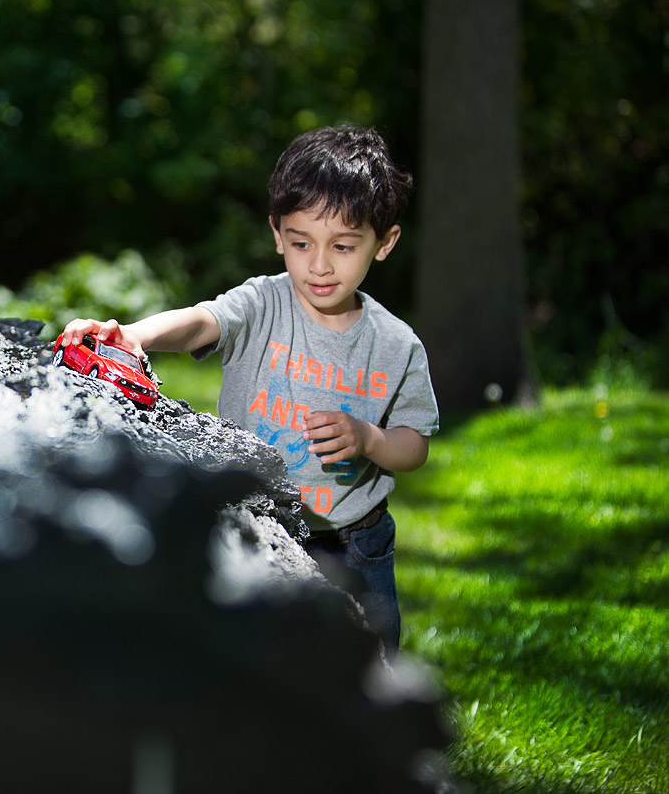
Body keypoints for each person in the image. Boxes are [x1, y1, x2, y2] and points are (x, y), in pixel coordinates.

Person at [60, 125, 439, 655]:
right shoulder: (262, 303)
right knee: (258, 660)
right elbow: (198, 322)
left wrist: (371, 441)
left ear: (384, 243)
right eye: (301, 242)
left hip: (356, 542)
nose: (320, 264)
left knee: (366, 669)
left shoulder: (397, 344)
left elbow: (414, 443)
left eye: (344, 246)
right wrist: (135, 334)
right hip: (259, 527)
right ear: (278, 234)